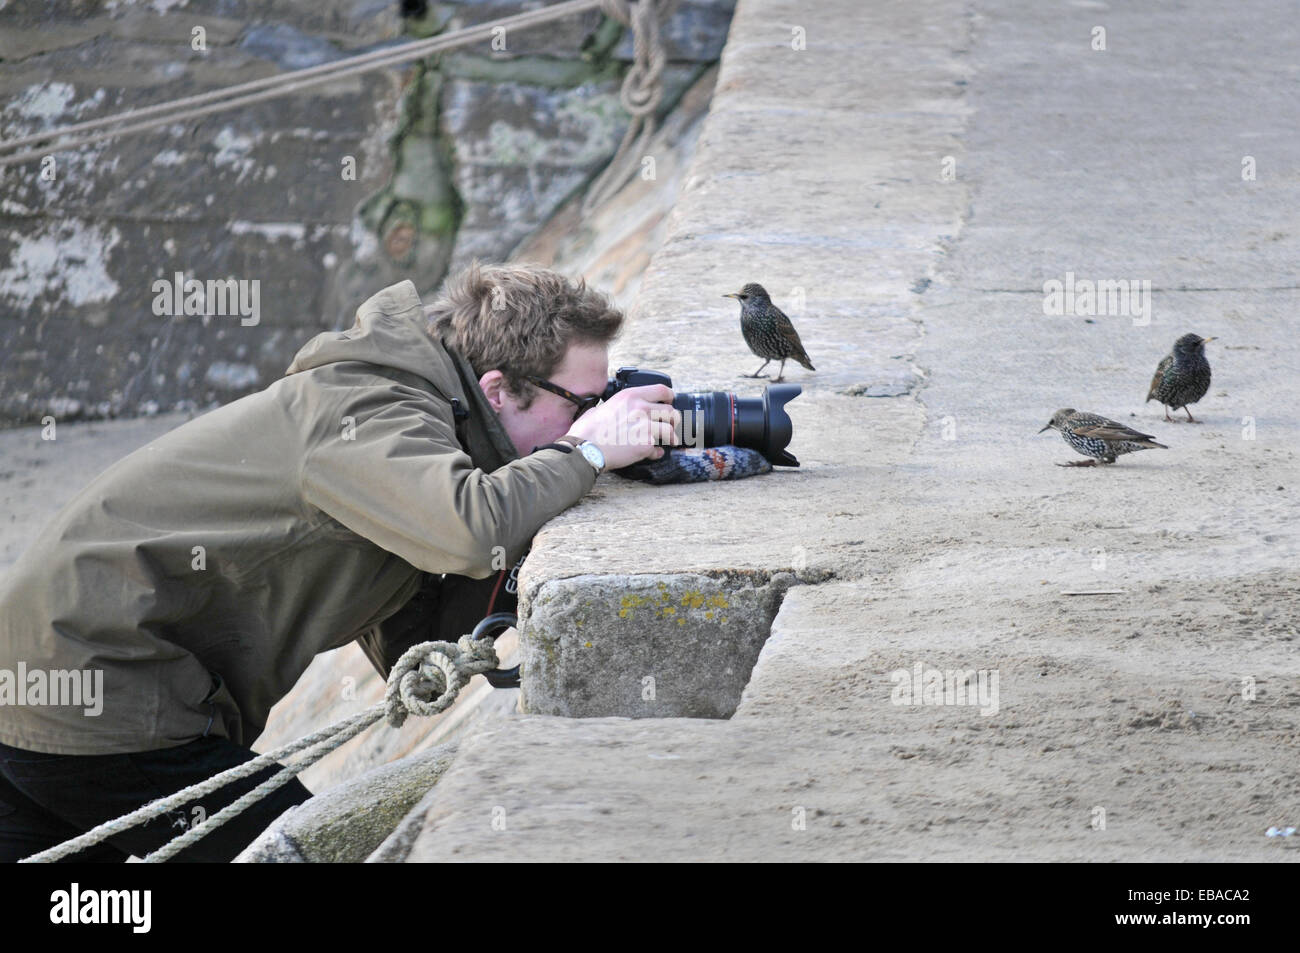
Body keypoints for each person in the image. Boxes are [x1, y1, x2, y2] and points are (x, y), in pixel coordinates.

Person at [0, 262, 679, 862]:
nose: (593, 417)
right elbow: (472, 531)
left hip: (49, 676)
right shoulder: (371, 408)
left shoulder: (419, 410)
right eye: (584, 405)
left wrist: (544, 506)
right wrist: (584, 454)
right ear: (499, 390)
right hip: (99, 686)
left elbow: (414, 637)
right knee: (311, 851)